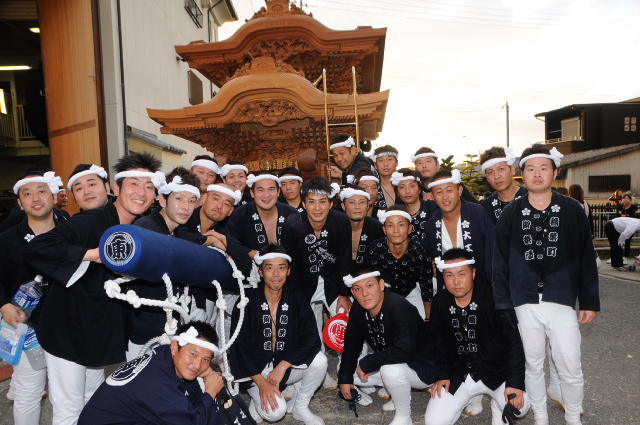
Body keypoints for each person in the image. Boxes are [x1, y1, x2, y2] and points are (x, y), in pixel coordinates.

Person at [23, 152, 164, 425]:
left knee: (93, 404)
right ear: (116, 189)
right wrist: (93, 254)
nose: (141, 192)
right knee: (69, 409)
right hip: (66, 329)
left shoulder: (140, 228)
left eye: (149, 186)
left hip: (97, 330)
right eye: (134, 184)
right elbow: (38, 248)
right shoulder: (89, 221)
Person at [493, 144, 600, 425]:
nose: (537, 174)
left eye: (544, 168)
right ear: (522, 174)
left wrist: (589, 301)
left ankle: (573, 417)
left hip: (561, 298)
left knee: (569, 364)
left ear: (555, 172)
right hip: (523, 301)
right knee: (533, 365)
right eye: (531, 169)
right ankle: (541, 417)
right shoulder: (510, 213)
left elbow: (586, 258)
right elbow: (499, 264)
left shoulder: (573, 209)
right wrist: (503, 305)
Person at [426, 248, 530, 425]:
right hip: (459, 375)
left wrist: (514, 383)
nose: (456, 281)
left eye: (462, 274)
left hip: (496, 373)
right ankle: (464, 400)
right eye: (449, 275)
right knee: (434, 422)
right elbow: (438, 341)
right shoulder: (440, 300)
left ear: (473, 273)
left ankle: (497, 405)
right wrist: (442, 374)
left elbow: (513, 343)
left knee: (519, 408)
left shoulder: (495, 298)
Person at [230, 245, 327, 425]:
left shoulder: (297, 297)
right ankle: (257, 396)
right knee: (276, 414)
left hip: (285, 367)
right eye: (269, 268)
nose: (276, 274)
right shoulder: (246, 302)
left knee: (320, 361)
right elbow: (238, 347)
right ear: (260, 271)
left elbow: (311, 337)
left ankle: (300, 407)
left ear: (288, 271)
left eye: (281, 268)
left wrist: (283, 365)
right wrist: (262, 383)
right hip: (256, 371)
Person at [338, 265, 435, 425]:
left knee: (390, 370)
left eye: (370, 285)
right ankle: (397, 391)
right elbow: (352, 345)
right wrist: (344, 379)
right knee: (343, 368)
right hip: (390, 361)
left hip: (422, 366)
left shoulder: (399, 306)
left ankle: (404, 417)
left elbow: (405, 351)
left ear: (381, 285)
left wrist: (369, 362)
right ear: (353, 292)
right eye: (358, 289)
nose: (364, 294)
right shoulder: (358, 308)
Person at [0, 170, 61, 425]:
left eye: (42, 191)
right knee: (28, 392)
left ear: (54, 197)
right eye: (28, 194)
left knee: (66, 392)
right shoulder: (6, 239)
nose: (36, 198)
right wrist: (4, 304)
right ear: (20, 202)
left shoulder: (72, 233)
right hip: (26, 326)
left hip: (67, 324)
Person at [281, 177, 352, 392]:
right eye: (311, 202)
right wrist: (295, 297)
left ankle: (347, 373)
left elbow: (344, 258)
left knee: (346, 323)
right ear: (304, 203)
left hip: (333, 282)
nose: (317, 208)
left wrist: (344, 293)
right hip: (303, 283)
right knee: (310, 329)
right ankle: (320, 374)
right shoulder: (292, 225)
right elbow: (290, 263)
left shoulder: (341, 221)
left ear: (331, 203)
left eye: (322, 202)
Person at [78, 322, 225, 425]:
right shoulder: (159, 385)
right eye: (193, 354)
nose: (197, 365)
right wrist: (210, 393)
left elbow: (194, 404)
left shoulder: (165, 355)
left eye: (205, 359)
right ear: (175, 347)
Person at [125, 168, 202, 360]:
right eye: (179, 199)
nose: (186, 207)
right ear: (162, 200)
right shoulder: (146, 229)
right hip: (145, 329)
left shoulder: (178, 232)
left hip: (169, 324)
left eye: (191, 200)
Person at [425, 170, 495, 287]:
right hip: (449, 288)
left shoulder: (478, 213)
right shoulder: (431, 224)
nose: (445, 197)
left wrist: (494, 282)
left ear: (460, 190)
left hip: (481, 286)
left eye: (449, 190)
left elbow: (492, 250)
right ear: (432, 196)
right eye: (439, 192)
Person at [365, 206, 433, 319]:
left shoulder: (420, 250)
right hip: (382, 294)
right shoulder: (374, 250)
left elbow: (426, 284)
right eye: (390, 225)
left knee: (420, 320)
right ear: (384, 229)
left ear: (410, 228)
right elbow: (368, 282)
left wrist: (428, 316)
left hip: (410, 291)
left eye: (401, 225)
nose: (396, 230)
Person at [226, 172, 298, 258]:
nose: (266, 195)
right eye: (260, 190)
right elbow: (230, 244)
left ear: (278, 192)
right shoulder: (240, 214)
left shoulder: (291, 214)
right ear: (252, 193)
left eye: (271, 189)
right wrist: (254, 255)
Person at [479, 147, 528, 224]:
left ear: (512, 169)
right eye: (491, 172)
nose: (496, 176)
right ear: (486, 176)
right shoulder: (485, 208)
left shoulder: (533, 198)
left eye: (501, 169)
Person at [410, 147, 477, 203]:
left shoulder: (453, 183)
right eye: (419, 163)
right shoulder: (413, 189)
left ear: (438, 165)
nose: (424, 166)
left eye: (428, 161)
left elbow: (475, 209)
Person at [391, 168, 438, 243]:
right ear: (397, 192)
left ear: (420, 189)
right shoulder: (395, 214)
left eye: (412, 186)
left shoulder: (434, 208)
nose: (407, 191)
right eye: (402, 187)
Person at [340, 187, 384, 265]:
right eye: (352, 202)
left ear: (368, 206)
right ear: (343, 206)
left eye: (362, 202)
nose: (357, 207)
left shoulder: (377, 228)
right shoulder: (334, 226)